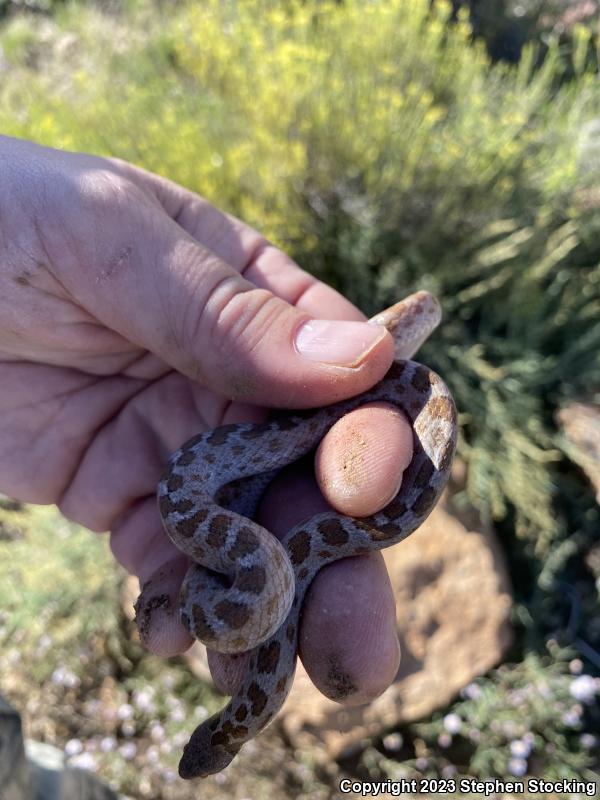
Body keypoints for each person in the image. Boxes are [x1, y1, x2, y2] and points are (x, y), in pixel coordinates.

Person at [0, 135, 413, 787]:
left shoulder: (213, 598)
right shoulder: (218, 606)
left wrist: (247, 335)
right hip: (210, 490)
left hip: (223, 463)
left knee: (338, 453)